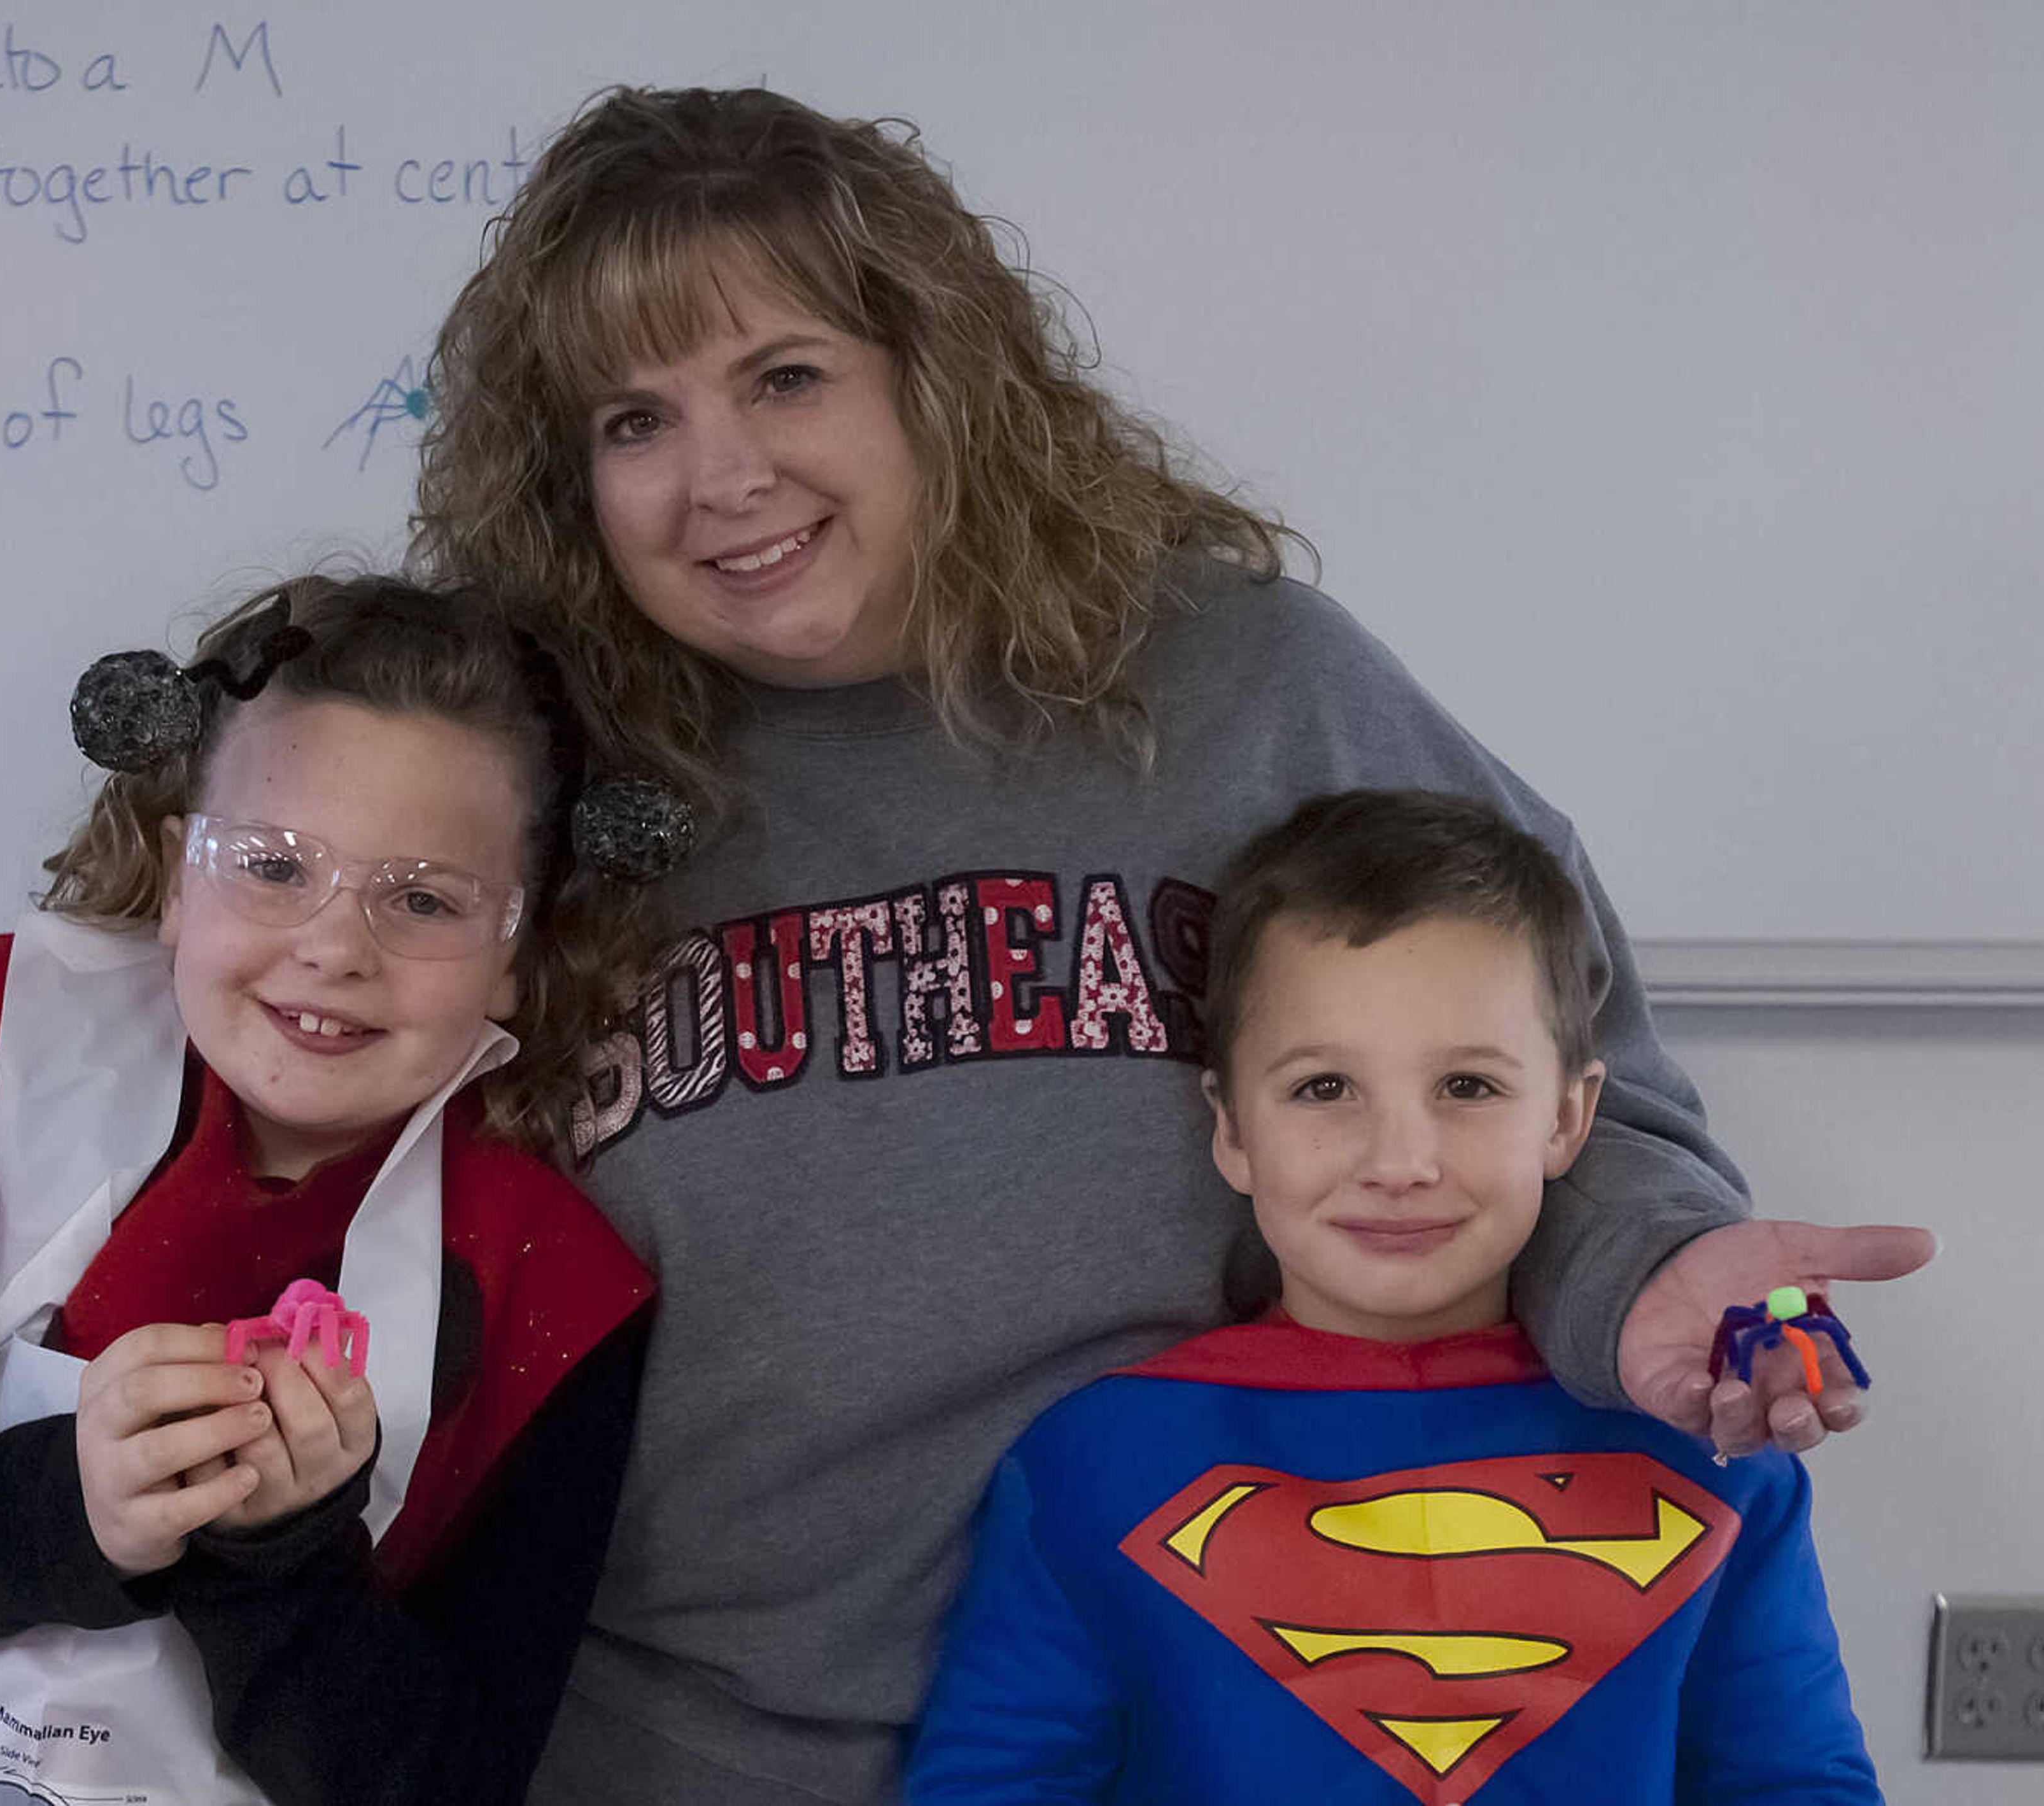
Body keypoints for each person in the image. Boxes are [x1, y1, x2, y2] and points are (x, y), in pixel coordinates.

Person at [408, 85, 1931, 1805]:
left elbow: (1553, 1090)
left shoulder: (1246, 687)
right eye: (633, 420)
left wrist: (1651, 1271)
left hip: (1206, 1739)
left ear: (938, 372)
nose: (725, 478)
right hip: (671, 1760)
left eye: (786, 374)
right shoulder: (520, 777)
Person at [0, 577, 656, 1806]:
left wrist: (279, 1558)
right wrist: (76, 1504)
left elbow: (444, 1777)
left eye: (425, 899)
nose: (335, 946)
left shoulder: (552, 1287)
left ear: (516, 955)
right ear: (180, 877)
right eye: (275, 866)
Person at [904, 789, 1880, 1802]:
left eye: (1468, 1086)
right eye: (1324, 1087)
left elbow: (1796, 1781)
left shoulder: (1713, 1443)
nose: (1400, 1160)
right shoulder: (1090, 1461)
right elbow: (995, 1784)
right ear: (1233, 1128)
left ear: (1569, 1116)